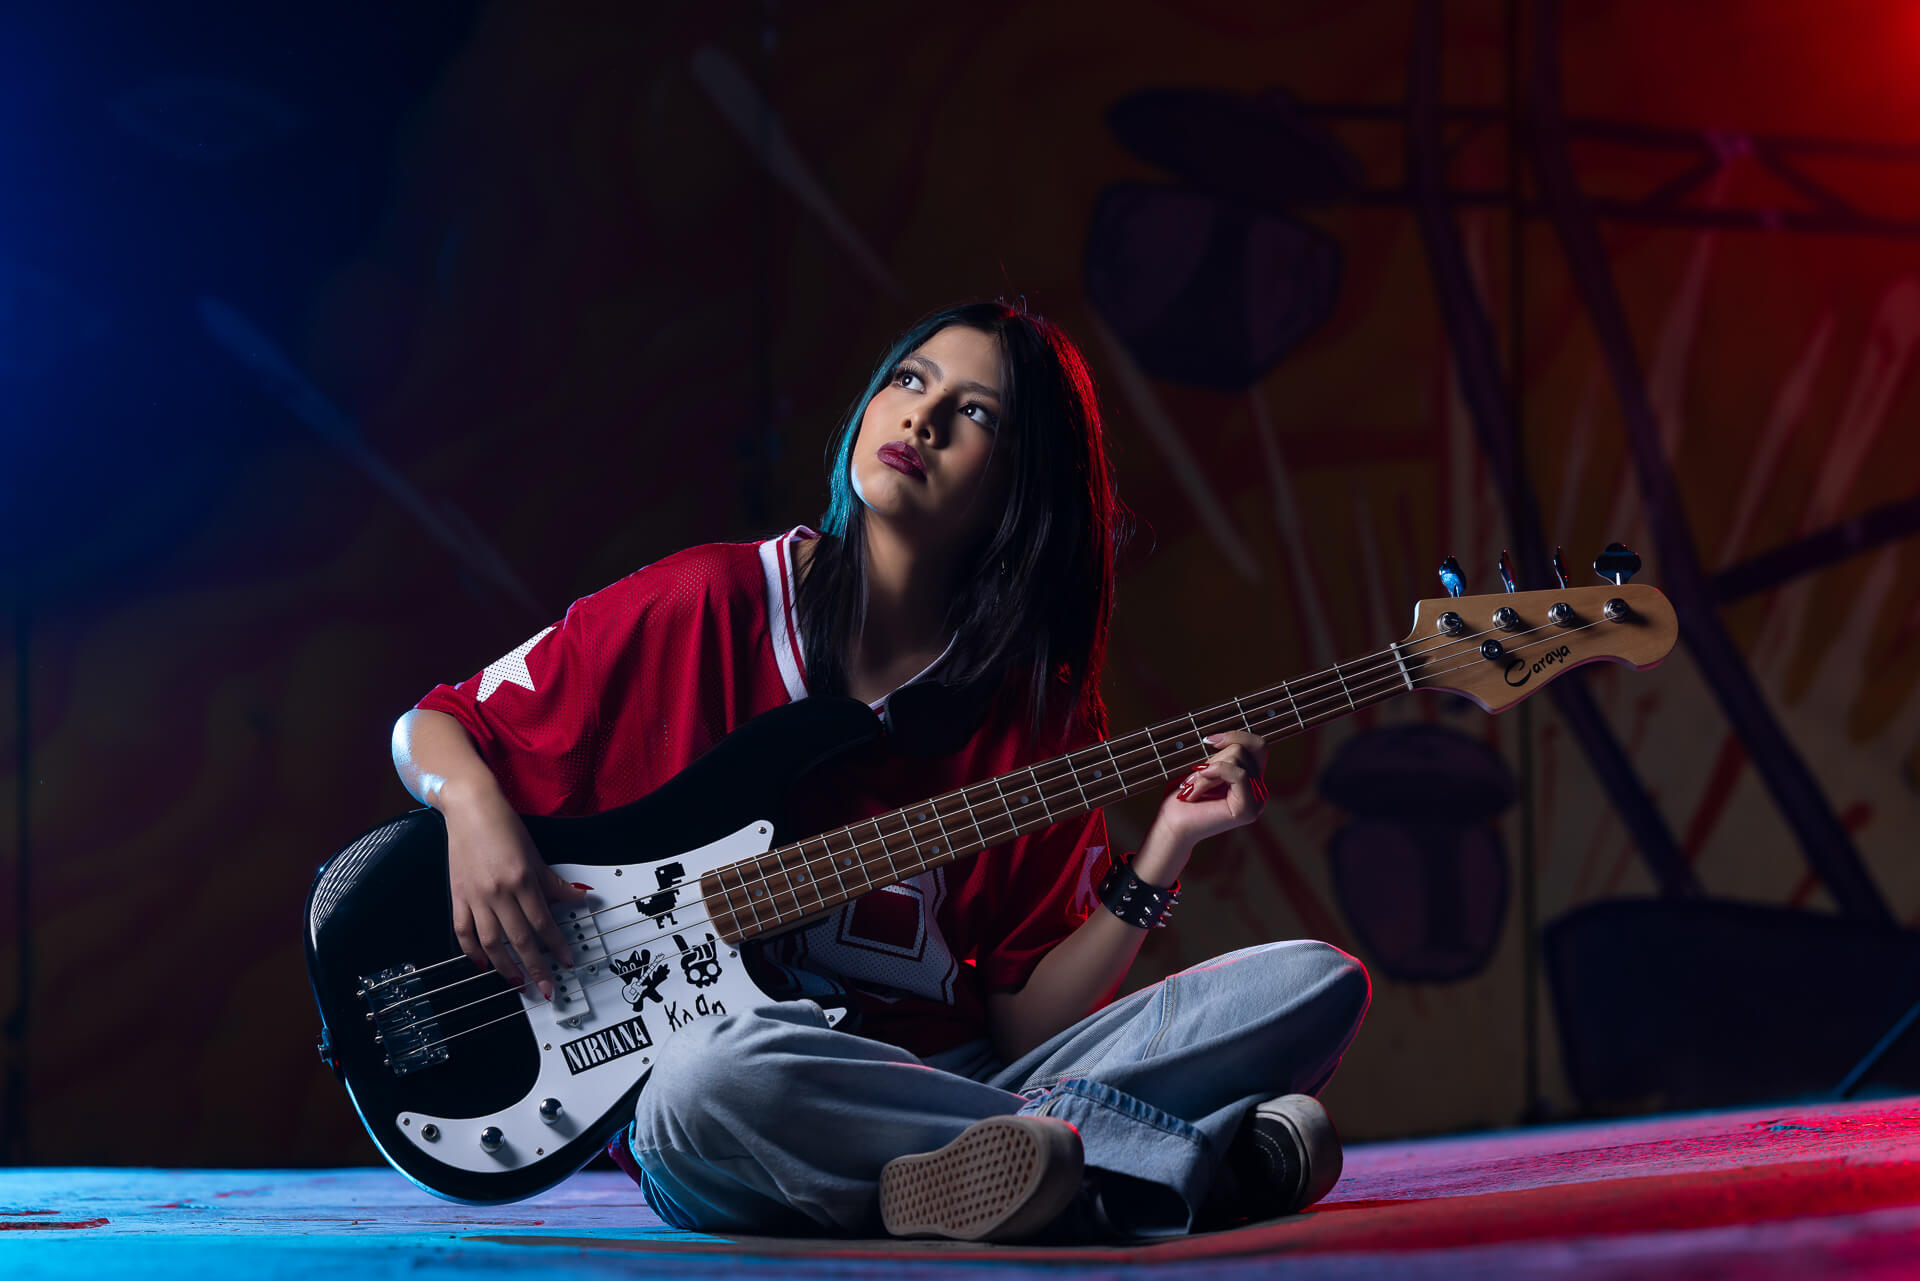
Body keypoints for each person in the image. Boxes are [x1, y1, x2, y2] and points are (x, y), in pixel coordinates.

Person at [390, 301, 1370, 1242]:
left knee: (1316, 982)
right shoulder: (703, 604)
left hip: (967, 1074)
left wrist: (1163, 852)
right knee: (704, 1081)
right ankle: (1144, 1166)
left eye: (976, 412)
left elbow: (1027, 1019)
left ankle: (991, 1172)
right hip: (753, 1101)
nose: (924, 417)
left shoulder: (1036, 717)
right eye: (910, 379)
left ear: (1024, 485)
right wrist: (473, 812)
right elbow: (435, 726)